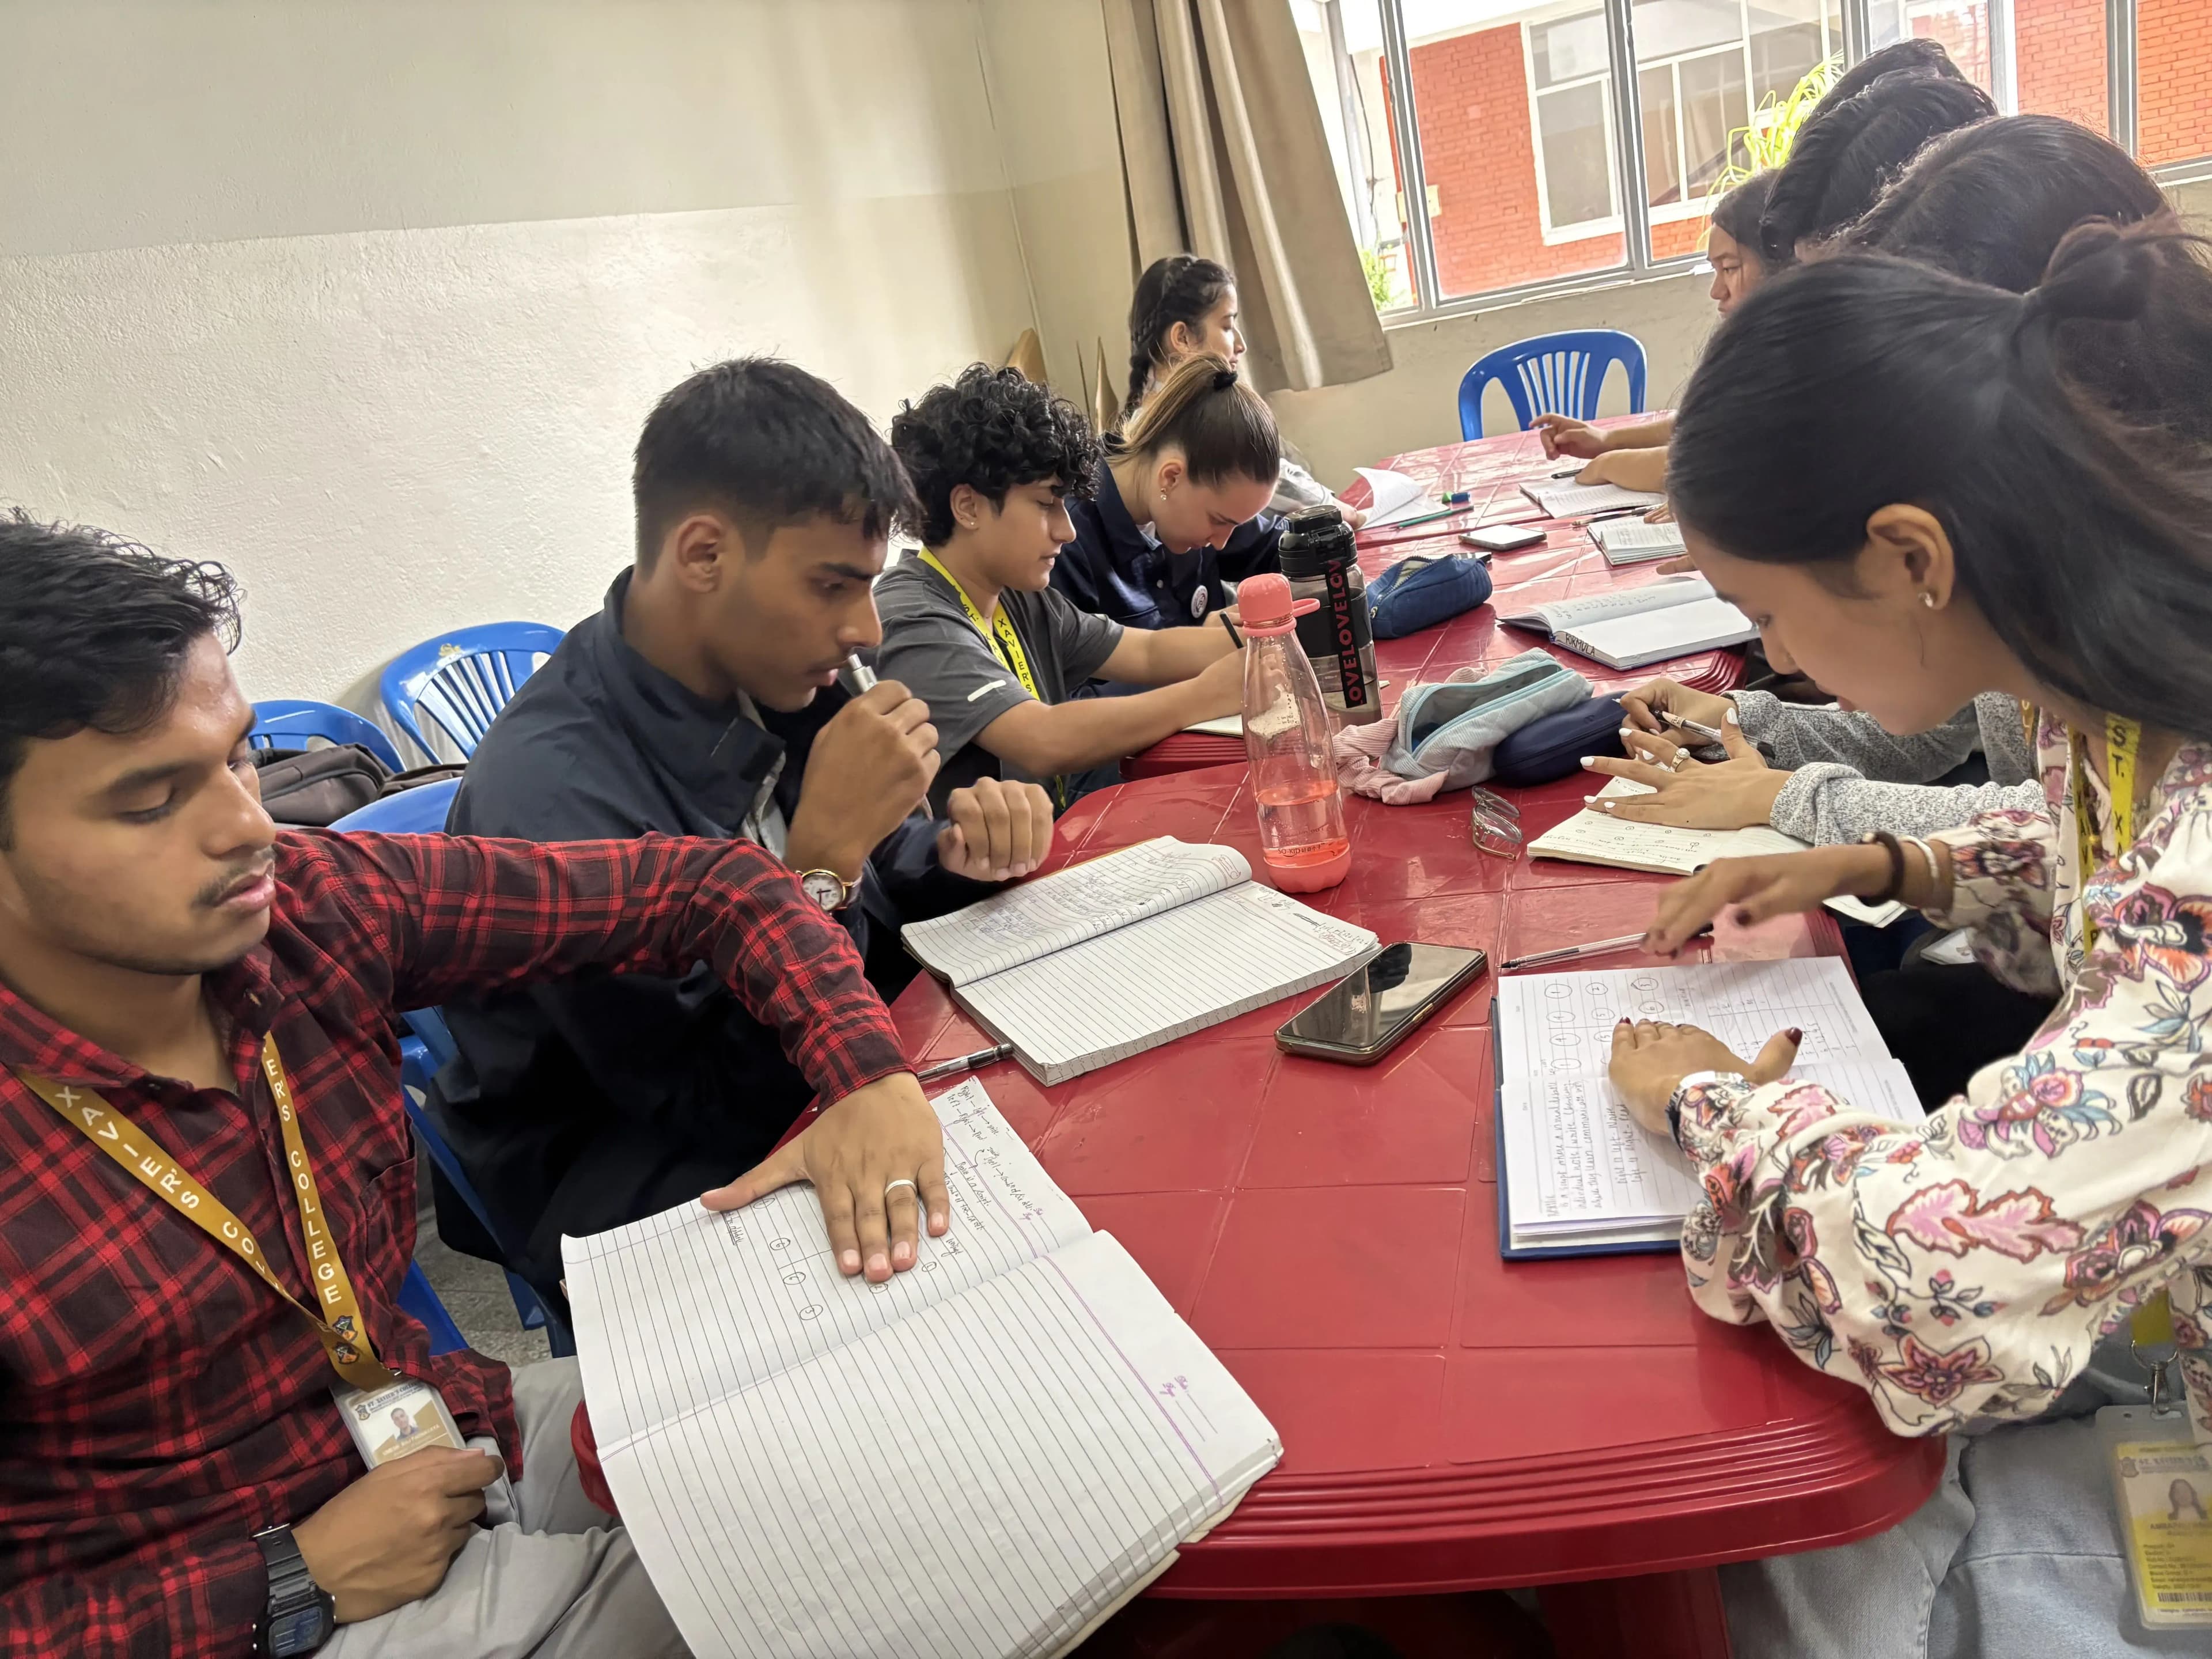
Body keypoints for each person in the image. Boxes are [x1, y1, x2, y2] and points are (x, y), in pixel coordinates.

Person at [0, 514, 948, 1657]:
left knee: (874, 1456)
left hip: (450, 1434)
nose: (249, 828)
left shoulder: (310, 909)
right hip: (246, 1600)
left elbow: (713, 887)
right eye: (152, 802)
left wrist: (869, 1074)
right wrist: (282, 1581)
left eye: (242, 757)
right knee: (838, 1605)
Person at [1600, 221, 2212, 1657]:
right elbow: (2092, 872)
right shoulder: (2117, 695)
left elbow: (1928, 1269)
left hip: (2150, 1366)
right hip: (2161, 1325)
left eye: (1768, 614)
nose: (1782, 659)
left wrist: (1713, 1099)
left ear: (1908, 555)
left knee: (1796, 1576)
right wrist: (1896, 858)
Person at [433, 358, 1052, 1312]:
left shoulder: (778, 675)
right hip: (628, 1173)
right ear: (703, 555)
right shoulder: (549, 801)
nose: (865, 629)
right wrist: (823, 869)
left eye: (871, 584)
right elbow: (714, 1097)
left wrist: (959, 856)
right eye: (832, 585)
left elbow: (884, 875)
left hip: (799, 1082)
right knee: (990, 1275)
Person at [877, 365, 1245, 814]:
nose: (1067, 531)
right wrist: (1209, 694)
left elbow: (1147, 652)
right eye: (1046, 504)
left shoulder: (1017, 596)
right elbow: (1042, 739)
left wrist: (1262, 640)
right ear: (968, 506)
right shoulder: (914, 616)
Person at [1536, 171, 1778, 490]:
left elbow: (1715, 460)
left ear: (1782, 262)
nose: (1717, 291)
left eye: (1730, 268)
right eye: (1715, 270)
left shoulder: (1795, 353)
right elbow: (1708, 422)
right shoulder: (1757, 348)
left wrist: (1608, 464)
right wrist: (1606, 440)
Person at [1124, 253, 1366, 525]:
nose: (1241, 345)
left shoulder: (1155, 418)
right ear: (1183, 338)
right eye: (1227, 326)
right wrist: (1336, 508)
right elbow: (1322, 506)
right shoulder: (1200, 426)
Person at [1052, 353, 1285, 633]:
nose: (1222, 543)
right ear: (1172, 477)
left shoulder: (1191, 507)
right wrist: (1197, 650)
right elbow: (1074, 674)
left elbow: (1279, 547)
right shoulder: (1066, 541)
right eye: (1219, 521)